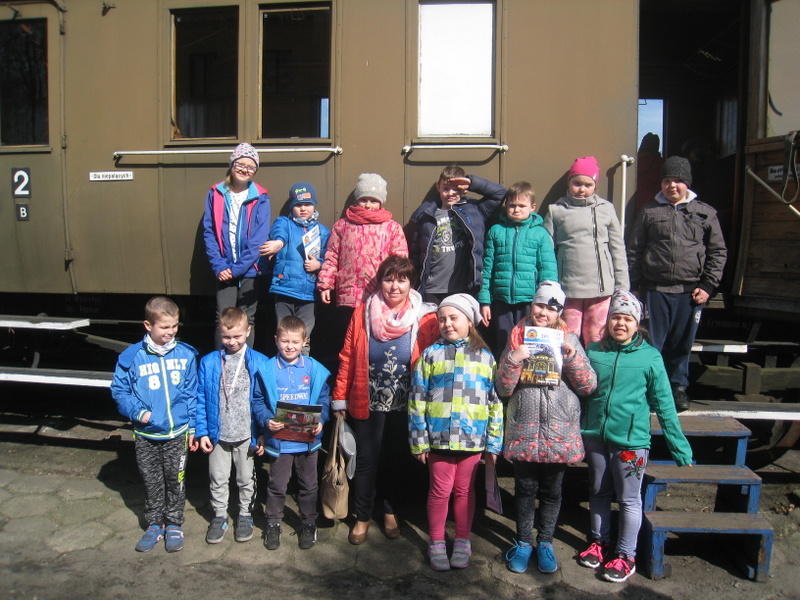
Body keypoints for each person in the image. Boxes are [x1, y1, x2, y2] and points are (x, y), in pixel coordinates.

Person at [579, 290, 693, 583]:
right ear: (608, 320)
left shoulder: (650, 357)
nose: (621, 323)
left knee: (629, 499)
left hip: (631, 443)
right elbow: (580, 390)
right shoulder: (594, 351)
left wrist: (679, 447)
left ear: (637, 323)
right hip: (596, 437)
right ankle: (599, 542)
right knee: (598, 491)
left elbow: (664, 404)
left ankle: (625, 555)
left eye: (627, 319)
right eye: (616, 317)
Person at [331, 255, 439, 545]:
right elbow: (347, 357)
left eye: (402, 280)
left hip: (406, 403)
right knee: (366, 461)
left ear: (410, 283)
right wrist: (339, 398)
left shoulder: (424, 317)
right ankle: (363, 516)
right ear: (380, 282)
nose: (395, 286)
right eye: (389, 279)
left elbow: (433, 361)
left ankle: (390, 512)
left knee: (396, 460)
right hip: (367, 400)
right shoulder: (362, 313)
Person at [496, 282, 597, 574]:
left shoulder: (570, 339)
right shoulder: (516, 338)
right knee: (525, 489)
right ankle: (524, 542)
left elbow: (588, 385)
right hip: (524, 428)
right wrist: (514, 358)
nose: (543, 312)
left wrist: (572, 358)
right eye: (539, 305)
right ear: (531, 305)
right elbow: (503, 388)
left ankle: (546, 543)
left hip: (558, 431)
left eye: (551, 308)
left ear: (559, 312)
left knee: (552, 491)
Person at [409, 293, 504, 571]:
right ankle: (436, 541)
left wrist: (493, 443)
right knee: (439, 491)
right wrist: (419, 441)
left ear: (469, 321)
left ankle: (462, 540)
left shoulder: (486, 358)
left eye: (453, 318)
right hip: (438, 438)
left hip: (472, 439)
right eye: (442, 319)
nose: (447, 324)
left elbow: (495, 403)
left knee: (464, 491)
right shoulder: (430, 355)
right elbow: (417, 400)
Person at [627, 156, 727, 411]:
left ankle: (677, 388)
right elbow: (635, 249)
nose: (672, 186)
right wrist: (634, 285)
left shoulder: (705, 213)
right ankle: (651, 389)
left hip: (689, 292)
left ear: (687, 184)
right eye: (667, 180)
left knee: (681, 344)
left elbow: (718, 252)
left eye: (678, 181)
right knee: (652, 344)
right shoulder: (649, 211)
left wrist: (708, 285)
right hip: (654, 290)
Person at [110, 296, 198, 553]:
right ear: (148, 325)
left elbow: (192, 394)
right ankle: (154, 523)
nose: (171, 332)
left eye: (175, 326)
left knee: (175, 480)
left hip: (177, 433)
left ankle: (174, 523)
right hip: (146, 434)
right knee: (152, 481)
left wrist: (193, 427)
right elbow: (119, 391)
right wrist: (139, 413)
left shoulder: (186, 355)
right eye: (165, 327)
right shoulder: (132, 357)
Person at [251, 316, 331, 551]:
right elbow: (257, 401)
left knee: (309, 485)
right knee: (277, 485)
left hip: (308, 442)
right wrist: (267, 420)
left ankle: (308, 522)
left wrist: (321, 421)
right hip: (280, 441)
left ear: (304, 341)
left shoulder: (313, 368)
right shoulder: (267, 370)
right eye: (285, 341)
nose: (289, 346)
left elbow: (324, 399)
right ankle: (273, 523)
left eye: (295, 342)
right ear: (276, 340)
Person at [195, 307, 269, 545]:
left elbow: (266, 401)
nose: (232, 341)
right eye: (226, 337)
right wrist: (202, 432)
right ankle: (219, 515)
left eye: (237, 336)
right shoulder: (208, 362)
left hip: (247, 434)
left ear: (248, 331)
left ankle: (245, 514)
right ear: (220, 333)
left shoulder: (260, 362)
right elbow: (200, 398)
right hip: (218, 434)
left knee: (246, 478)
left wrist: (263, 433)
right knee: (217, 477)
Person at [543, 156, 629, 347]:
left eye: (588, 184)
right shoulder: (556, 210)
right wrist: (549, 284)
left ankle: (595, 367)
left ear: (595, 185)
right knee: (568, 339)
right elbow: (546, 251)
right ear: (569, 183)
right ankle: (571, 368)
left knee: (596, 337)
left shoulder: (606, 209)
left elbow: (617, 249)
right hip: (568, 289)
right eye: (577, 183)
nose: (582, 189)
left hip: (601, 290)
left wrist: (622, 286)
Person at [317, 173, 408, 347]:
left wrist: (396, 286)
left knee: (374, 340)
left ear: (381, 202)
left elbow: (400, 261)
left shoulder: (392, 227)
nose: (368, 205)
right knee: (349, 340)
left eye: (373, 201)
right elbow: (332, 256)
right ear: (356, 200)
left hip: (379, 295)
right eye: (363, 200)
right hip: (348, 294)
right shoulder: (343, 226)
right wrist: (326, 284)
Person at [202, 142, 271, 348]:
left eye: (251, 167)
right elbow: (209, 231)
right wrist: (219, 266)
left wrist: (236, 269)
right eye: (241, 164)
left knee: (247, 318)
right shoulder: (216, 192)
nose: (245, 170)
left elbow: (259, 238)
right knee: (223, 318)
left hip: (250, 268)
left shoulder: (261, 196)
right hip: (224, 268)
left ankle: (245, 362)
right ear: (232, 165)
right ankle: (221, 361)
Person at [478, 181, 558, 355]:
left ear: (532, 207)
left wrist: (548, 302)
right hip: (501, 300)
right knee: (505, 341)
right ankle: (505, 371)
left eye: (522, 206)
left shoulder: (540, 233)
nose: (516, 209)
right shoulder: (496, 231)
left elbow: (548, 269)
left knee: (529, 340)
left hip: (531, 301)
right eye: (512, 205)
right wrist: (485, 301)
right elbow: (487, 268)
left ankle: (527, 373)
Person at [406, 165, 506, 304]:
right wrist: (414, 283)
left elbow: (500, 193)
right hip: (432, 288)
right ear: (438, 187)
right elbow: (416, 254)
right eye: (446, 188)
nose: (450, 193)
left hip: (463, 288)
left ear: (464, 189)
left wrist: (472, 183)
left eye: (456, 189)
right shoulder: (425, 215)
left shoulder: (475, 210)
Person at [259, 182, 330, 355]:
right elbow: (279, 233)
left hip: (309, 294)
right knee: (284, 336)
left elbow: (330, 257)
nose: (303, 208)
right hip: (285, 290)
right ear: (292, 207)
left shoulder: (322, 231)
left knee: (304, 337)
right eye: (298, 205)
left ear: (314, 206)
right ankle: (282, 366)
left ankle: (302, 367)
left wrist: (319, 264)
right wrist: (278, 242)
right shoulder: (284, 223)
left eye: (307, 204)